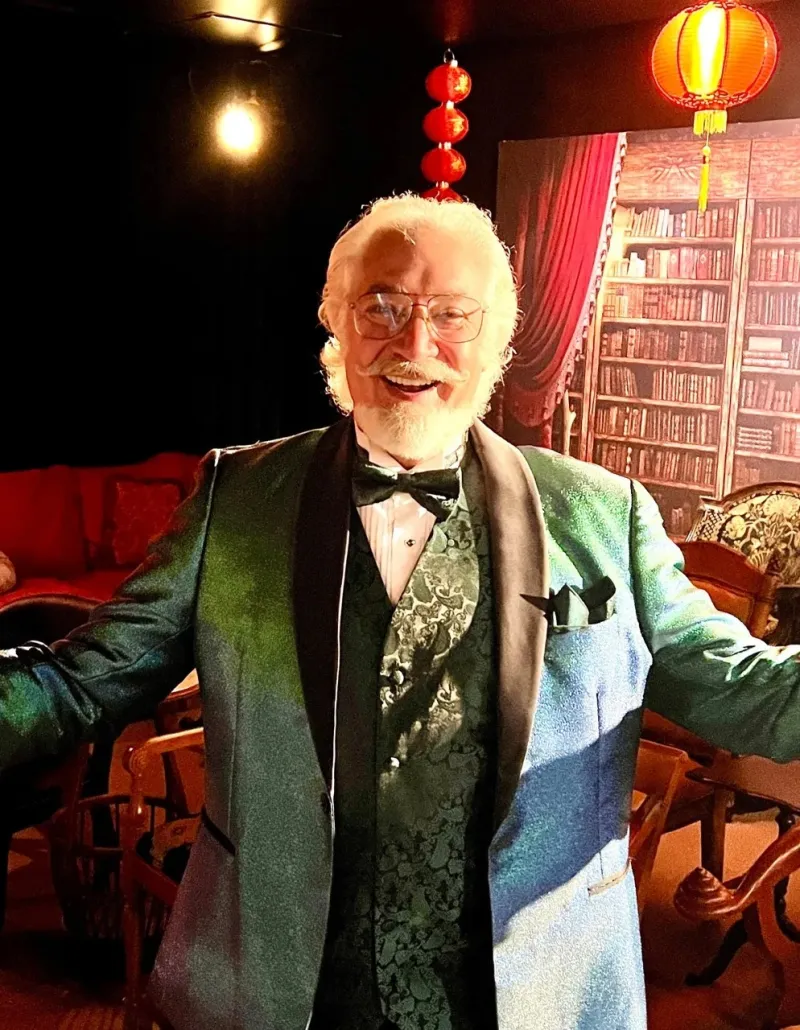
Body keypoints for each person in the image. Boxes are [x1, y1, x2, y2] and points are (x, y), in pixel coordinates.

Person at [1, 194, 797, 1030]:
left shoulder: (606, 515)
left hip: (534, 994)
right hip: (282, 986)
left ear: (495, 339)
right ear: (335, 325)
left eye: (451, 314)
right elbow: (81, 682)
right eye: (380, 307)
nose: (414, 345)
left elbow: (746, 688)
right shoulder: (236, 501)